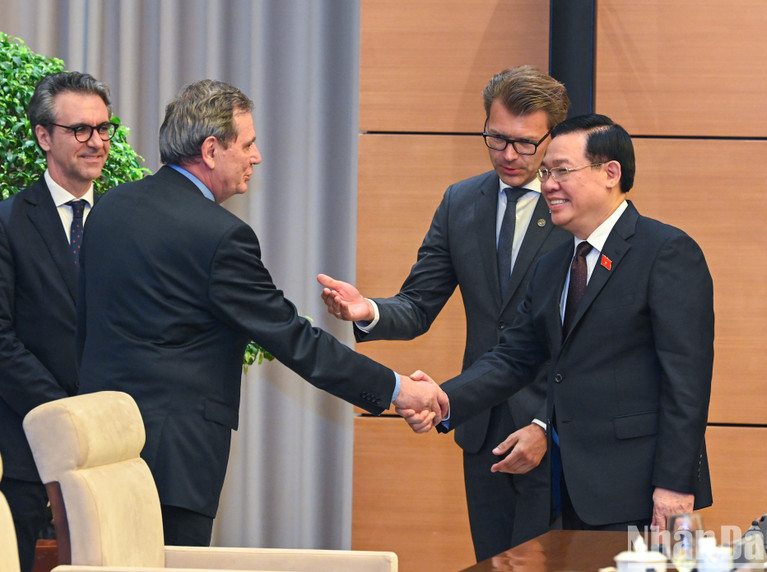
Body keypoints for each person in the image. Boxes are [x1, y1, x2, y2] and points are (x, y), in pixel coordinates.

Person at [76, 79, 447, 546]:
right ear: (211, 150)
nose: (257, 157)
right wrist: (396, 389)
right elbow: (292, 338)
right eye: (248, 144)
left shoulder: (109, 207)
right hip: (175, 462)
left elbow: (84, 327)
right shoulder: (219, 235)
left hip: (103, 446)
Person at [405, 113, 714, 532]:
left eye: (562, 171)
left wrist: (675, 485)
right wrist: (443, 398)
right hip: (559, 491)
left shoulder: (666, 252)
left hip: (637, 493)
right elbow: (512, 358)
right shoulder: (553, 266)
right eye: (546, 172)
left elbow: (687, 384)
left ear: (610, 173)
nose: (548, 184)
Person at [318, 65, 570, 560]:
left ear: (553, 138)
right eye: (495, 139)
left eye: (525, 143)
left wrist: (547, 425)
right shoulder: (462, 202)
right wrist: (366, 308)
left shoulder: (575, 208)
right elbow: (418, 304)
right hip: (481, 423)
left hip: (555, 429)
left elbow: (594, 337)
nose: (509, 155)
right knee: (493, 561)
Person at [0, 71, 116, 572]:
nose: (96, 142)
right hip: (26, 443)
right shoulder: (7, 221)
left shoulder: (122, 220)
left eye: (104, 128)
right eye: (81, 130)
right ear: (45, 136)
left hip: (109, 451)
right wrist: (66, 415)